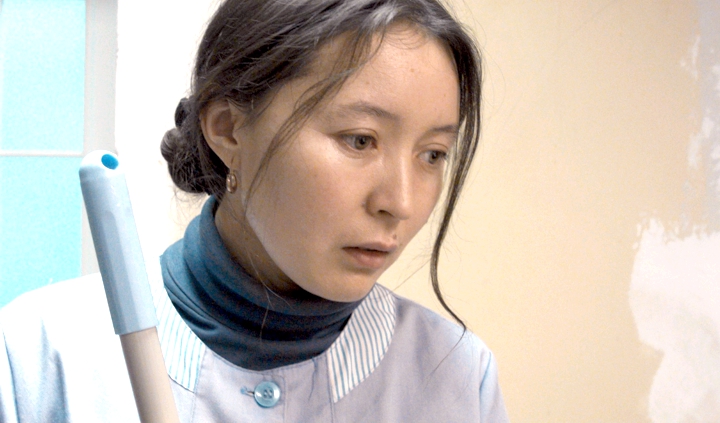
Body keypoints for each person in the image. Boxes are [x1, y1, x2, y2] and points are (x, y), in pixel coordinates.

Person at [0, 0, 509, 421]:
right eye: (360, 139)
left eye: (432, 154)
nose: (400, 202)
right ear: (227, 129)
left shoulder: (457, 378)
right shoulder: (38, 356)